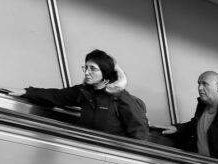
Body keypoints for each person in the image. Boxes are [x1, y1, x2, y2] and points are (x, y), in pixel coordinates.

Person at [9, 49, 148, 140]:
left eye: (92, 69)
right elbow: (57, 96)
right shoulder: (84, 91)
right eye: (85, 68)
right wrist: (29, 92)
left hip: (110, 157)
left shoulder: (120, 97)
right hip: (86, 150)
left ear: (105, 72)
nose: (87, 72)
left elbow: (139, 133)